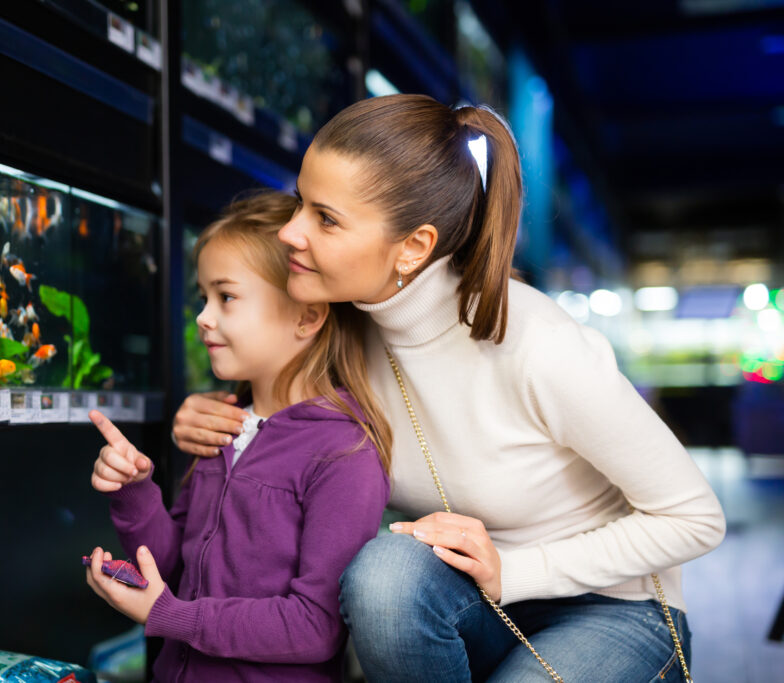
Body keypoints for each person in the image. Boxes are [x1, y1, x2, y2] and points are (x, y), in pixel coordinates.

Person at [171, 94, 726, 682]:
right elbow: (282, 416)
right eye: (301, 203)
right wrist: (213, 414)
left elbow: (695, 518)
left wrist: (515, 571)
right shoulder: (343, 324)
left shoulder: (538, 344)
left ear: (413, 247)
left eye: (324, 218)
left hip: (617, 610)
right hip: (468, 601)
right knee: (384, 575)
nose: (290, 232)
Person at [84, 191, 392, 682]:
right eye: (204, 297)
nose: (204, 317)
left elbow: (315, 626)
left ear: (306, 316)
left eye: (225, 297)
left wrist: (169, 615)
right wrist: (135, 490)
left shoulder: (344, 454)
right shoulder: (223, 427)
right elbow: (174, 567)